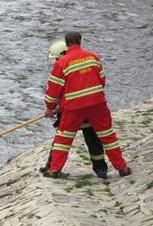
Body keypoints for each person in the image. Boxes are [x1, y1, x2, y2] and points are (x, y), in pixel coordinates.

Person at [43, 31, 131, 178]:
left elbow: (52, 92)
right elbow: (102, 80)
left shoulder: (62, 63)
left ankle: (54, 170)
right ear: (80, 41)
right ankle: (122, 168)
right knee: (108, 137)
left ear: (66, 44)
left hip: (73, 108)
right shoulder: (93, 57)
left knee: (63, 139)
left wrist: (50, 109)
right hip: (97, 105)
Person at [40, 40, 109, 179]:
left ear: (63, 53)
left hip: (72, 111)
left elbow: (55, 91)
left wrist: (51, 108)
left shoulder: (63, 67)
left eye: (56, 58)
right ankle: (101, 169)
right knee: (93, 139)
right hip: (88, 108)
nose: (55, 62)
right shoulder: (85, 63)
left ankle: (52, 167)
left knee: (61, 140)